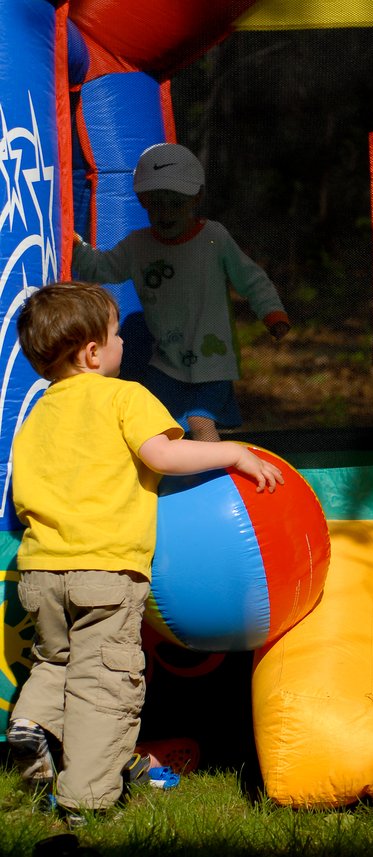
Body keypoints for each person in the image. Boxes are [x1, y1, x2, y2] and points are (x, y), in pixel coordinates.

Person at [4, 281, 283, 824]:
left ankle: (31, 723)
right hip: (105, 569)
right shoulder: (124, 396)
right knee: (104, 684)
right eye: (114, 335)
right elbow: (164, 454)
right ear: (91, 354)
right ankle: (86, 801)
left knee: (56, 661)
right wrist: (232, 451)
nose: (122, 344)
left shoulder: (36, 414)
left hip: (39, 570)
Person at [71, 142, 291, 442]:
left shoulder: (213, 238)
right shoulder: (138, 246)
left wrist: (271, 312)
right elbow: (101, 269)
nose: (165, 212)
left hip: (212, 362)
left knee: (201, 421)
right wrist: (74, 245)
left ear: (196, 199)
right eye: (156, 202)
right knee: (151, 422)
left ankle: (213, 482)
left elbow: (250, 278)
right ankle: (166, 483)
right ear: (142, 201)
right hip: (167, 363)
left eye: (175, 202)